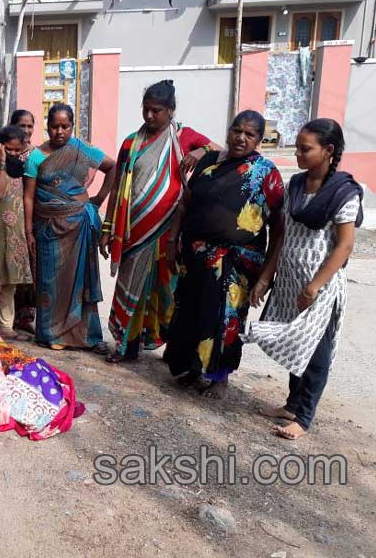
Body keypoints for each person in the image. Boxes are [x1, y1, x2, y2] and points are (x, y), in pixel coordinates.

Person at [247, 118, 362, 440]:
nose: (297, 154)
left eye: (304, 149)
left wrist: (315, 286)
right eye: (297, 147)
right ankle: (292, 404)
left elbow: (345, 244)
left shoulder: (343, 192)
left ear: (328, 150)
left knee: (317, 350)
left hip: (320, 286)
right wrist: (265, 278)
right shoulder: (296, 185)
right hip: (290, 281)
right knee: (295, 342)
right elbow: (282, 236)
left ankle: (305, 417)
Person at [164, 110, 285, 399]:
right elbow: (185, 205)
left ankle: (219, 377)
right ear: (229, 131)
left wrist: (266, 277)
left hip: (235, 263)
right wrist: (172, 242)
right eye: (236, 130)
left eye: (250, 134)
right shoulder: (209, 162)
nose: (241, 138)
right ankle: (193, 368)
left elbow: (279, 229)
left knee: (224, 320)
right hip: (195, 257)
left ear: (259, 140)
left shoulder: (266, 173)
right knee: (192, 312)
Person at [99, 80, 220, 364]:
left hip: (169, 229)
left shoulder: (184, 136)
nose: (150, 116)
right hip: (132, 230)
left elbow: (220, 152)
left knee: (168, 288)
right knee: (132, 287)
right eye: (146, 110)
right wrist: (107, 228)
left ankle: (168, 343)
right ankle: (127, 346)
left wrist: (200, 152)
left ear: (171, 110)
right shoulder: (131, 142)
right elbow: (117, 187)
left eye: (157, 110)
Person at [23, 103, 115, 354]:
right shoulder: (36, 156)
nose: (60, 131)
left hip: (78, 227)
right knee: (50, 281)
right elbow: (29, 196)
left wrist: (98, 200)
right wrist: (29, 231)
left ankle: (86, 336)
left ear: (72, 126)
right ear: (48, 127)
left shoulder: (81, 150)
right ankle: (50, 333)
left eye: (65, 126)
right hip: (48, 228)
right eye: (54, 126)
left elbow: (112, 167)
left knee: (81, 281)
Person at [0, 125, 34, 340]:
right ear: (0, 146)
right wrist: (2, 161)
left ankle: (6, 327)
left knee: (10, 282)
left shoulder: (21, 166)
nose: (12, 154)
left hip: (15, 232)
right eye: (8, 149)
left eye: (16, 151)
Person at [9, 109, 38, 334]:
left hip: (33, 216)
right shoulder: (8, 153)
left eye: (30, 126)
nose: (26, 130)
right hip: (10, 216)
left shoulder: (38, 154)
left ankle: (27, 315)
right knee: (13, 264)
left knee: (31, 266)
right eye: (22, 126)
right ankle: (10, 314)